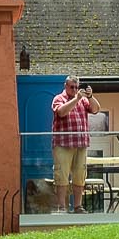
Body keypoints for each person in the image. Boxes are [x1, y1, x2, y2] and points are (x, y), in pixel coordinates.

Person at [50, 75, 100, 214]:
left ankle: (78, 206)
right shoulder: (59, 98)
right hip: (63, 144)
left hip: (80, 144)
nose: (74, 90)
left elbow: (96, 109)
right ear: (65, 86)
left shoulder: (83, 100)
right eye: (72, 87)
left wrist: (90, 96)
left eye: (77, 87)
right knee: (61, 175)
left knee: (80, 175)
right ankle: (62, 207)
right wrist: (76, 99)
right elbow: (61, 112)